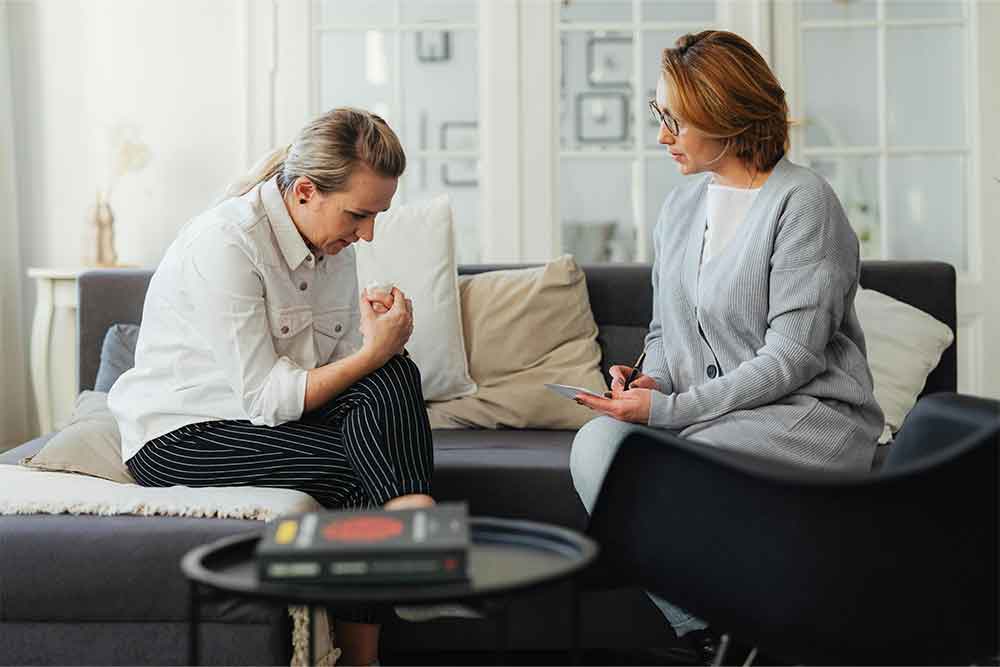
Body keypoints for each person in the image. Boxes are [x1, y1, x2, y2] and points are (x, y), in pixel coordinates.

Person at [569, 30, 885, 661]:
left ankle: (740, 632)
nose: (662, 136)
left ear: (728, 118)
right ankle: (716, 628)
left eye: (675, 122)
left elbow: (793, 357)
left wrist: (666, 413)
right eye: (660, 116)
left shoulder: (803, 203)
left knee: (673, 466)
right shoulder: (681, 207)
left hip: (801, 419)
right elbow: (664, 331)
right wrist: (650, 379)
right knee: (597, 443)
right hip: (709, 419)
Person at [108, 107, 429, 666]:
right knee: (358, 469)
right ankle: (391, 601)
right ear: (305, 191)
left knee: (395, 371)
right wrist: (372, 353)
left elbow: (329, 372)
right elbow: (266, 397)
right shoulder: (227, 243)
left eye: (377, 216)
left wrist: (376, 344)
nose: (367, 233)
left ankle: (413, 524)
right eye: (358, 214)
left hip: (266, 422)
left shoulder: (334, 247)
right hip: (184, 435)